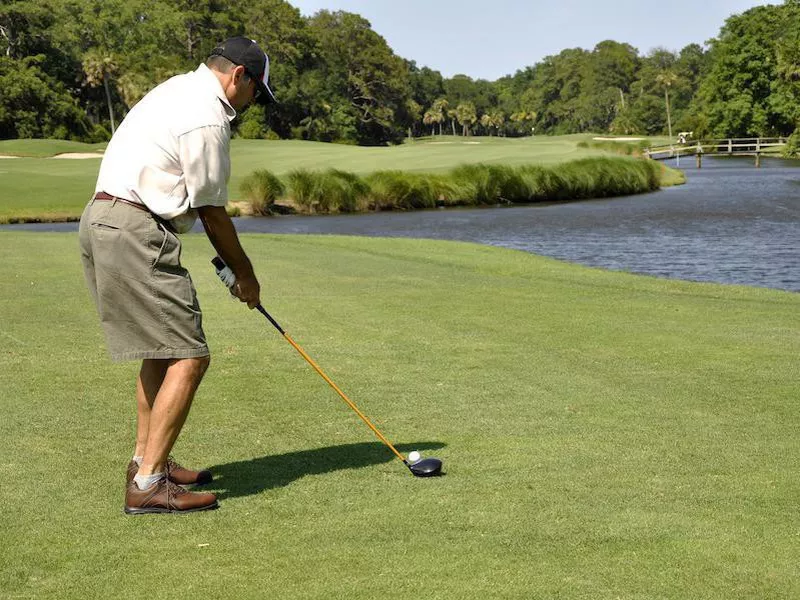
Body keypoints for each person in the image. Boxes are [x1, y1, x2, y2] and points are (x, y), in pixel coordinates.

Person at [78, 37, 275, 514]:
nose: (253, 104)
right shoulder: (207, 115)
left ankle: (149, 463)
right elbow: (211, 211)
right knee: (189, 356)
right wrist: (244, 274)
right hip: (135, 228)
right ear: (239, 77)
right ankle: (147, 485)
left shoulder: (177, 88)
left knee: (161, 353)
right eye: (256, 94)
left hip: (102, 219)